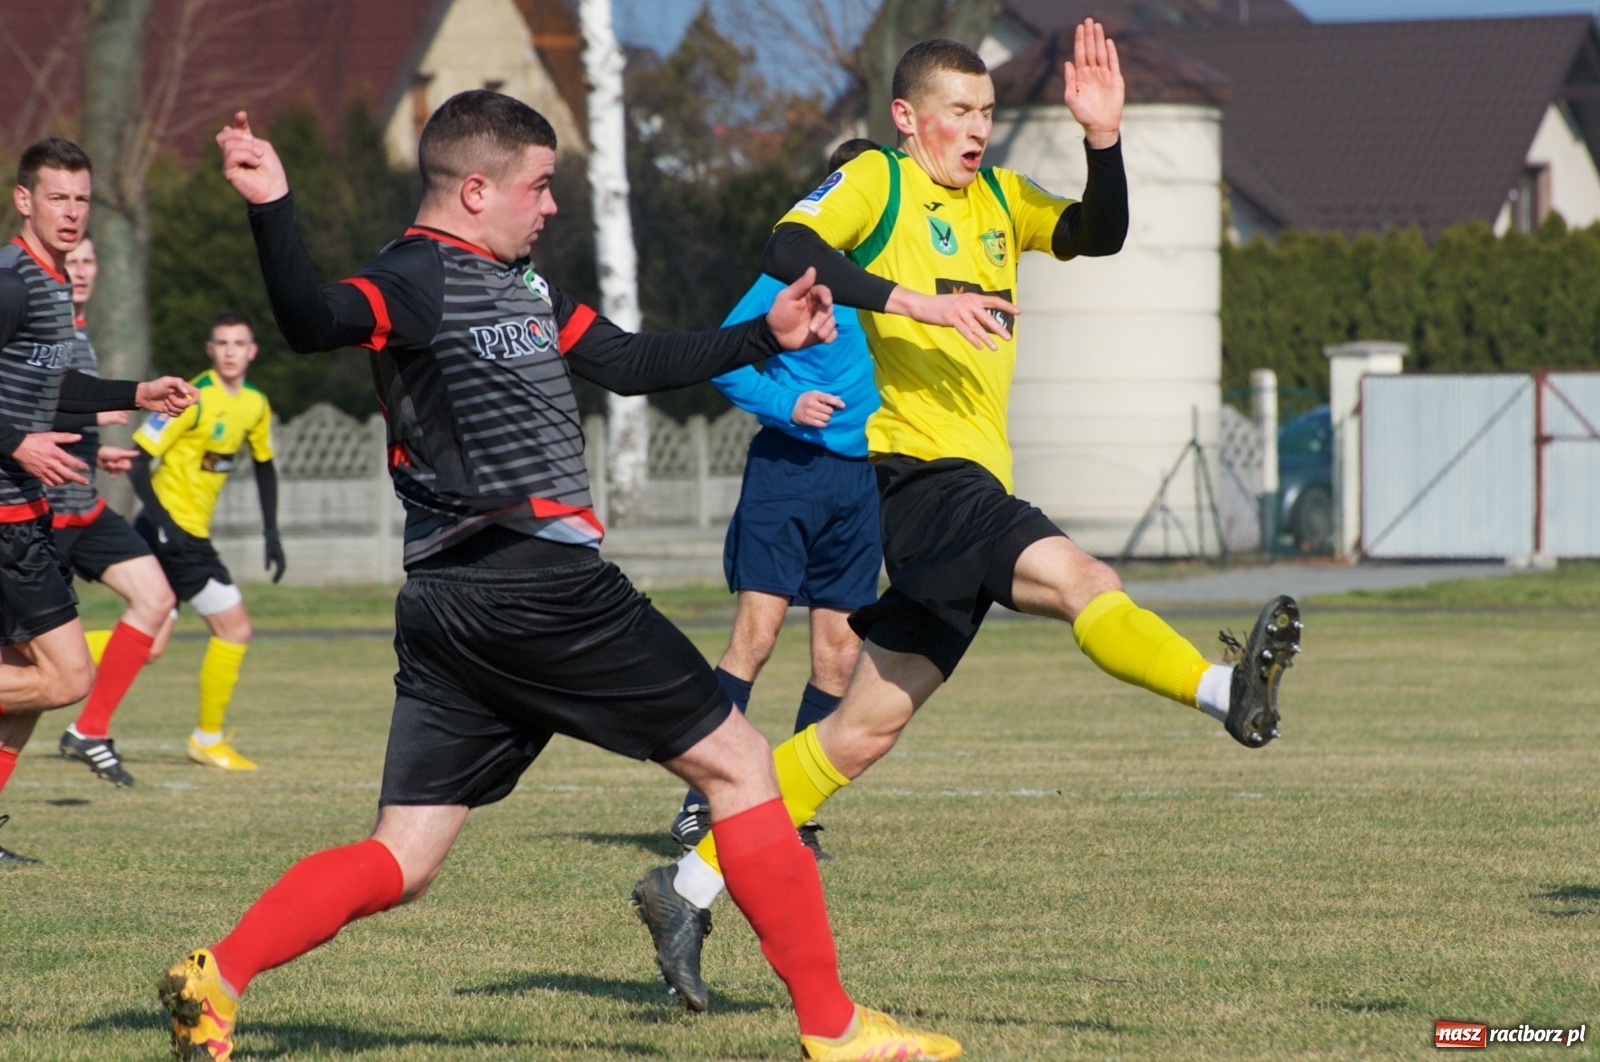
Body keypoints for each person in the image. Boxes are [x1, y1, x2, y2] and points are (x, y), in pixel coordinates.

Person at [158, 92, 960, 1062]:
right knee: (743, 768)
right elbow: (310, 319)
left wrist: (763, 336)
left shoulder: (526, 285)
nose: (549, 208)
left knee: (404, 859)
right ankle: (834, 1029)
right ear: (475, 188)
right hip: (533, 584)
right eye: (539, 188)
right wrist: (273, 206)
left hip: (453, 605)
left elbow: (625, 361)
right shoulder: (415, 278)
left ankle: (220, 976)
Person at [632, 21, 1303, 1009]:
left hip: (964, 484)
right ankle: (1222, 691)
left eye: (986, 112)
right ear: (907, 119)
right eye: (958, 111)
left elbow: (1096, 233)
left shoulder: (997, 198)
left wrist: (1104, 141)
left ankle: (683, 888)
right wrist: (912, 302)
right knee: (1084, 581)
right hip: (915, 479)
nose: (976, 129)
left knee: (857, 735)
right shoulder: (881, 180)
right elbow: (788, 244)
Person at [666, 137, 883, 862]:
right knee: (755, 640)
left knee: (838, 654)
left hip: (862, 485)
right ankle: (702, 803)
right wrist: (790, 404)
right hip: (788, 473)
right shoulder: (798, 267)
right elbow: (725, 356)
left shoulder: (898, 275)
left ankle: (792, 810)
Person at [0, 137, 196, 864]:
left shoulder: (52, 282)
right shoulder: (14, 282)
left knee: (22, 672)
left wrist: (133, 395)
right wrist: (16, 444)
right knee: (66, 676)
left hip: (25, 508)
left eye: (82, 198)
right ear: (25, 200)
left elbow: (57, 392)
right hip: (5, 512)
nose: (73, 211)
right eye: (58, 197)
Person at [129, 311, 284, 772]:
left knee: (147, 646)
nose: (232, 351)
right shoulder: (191, 398)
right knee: (234, 627)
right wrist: (165, 525)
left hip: (187, 533)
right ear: (210, 350)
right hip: (174, 533)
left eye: (240, 343)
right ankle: (207, 738)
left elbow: (263, 464)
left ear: (252, 351)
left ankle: (38, 667)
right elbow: (137, 462)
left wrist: (272, 533)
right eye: (223, 343)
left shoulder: (255, 404)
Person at [50, 235, 179, 788]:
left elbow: (63, 418)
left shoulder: (81, 331)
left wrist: (95, 450)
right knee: (38, 673)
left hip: (85, 505)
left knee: (157, 601)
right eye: (71, 261)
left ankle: (89, 729)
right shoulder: (46, 334)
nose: (80, 270)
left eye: (88, 261)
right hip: (41, 516)